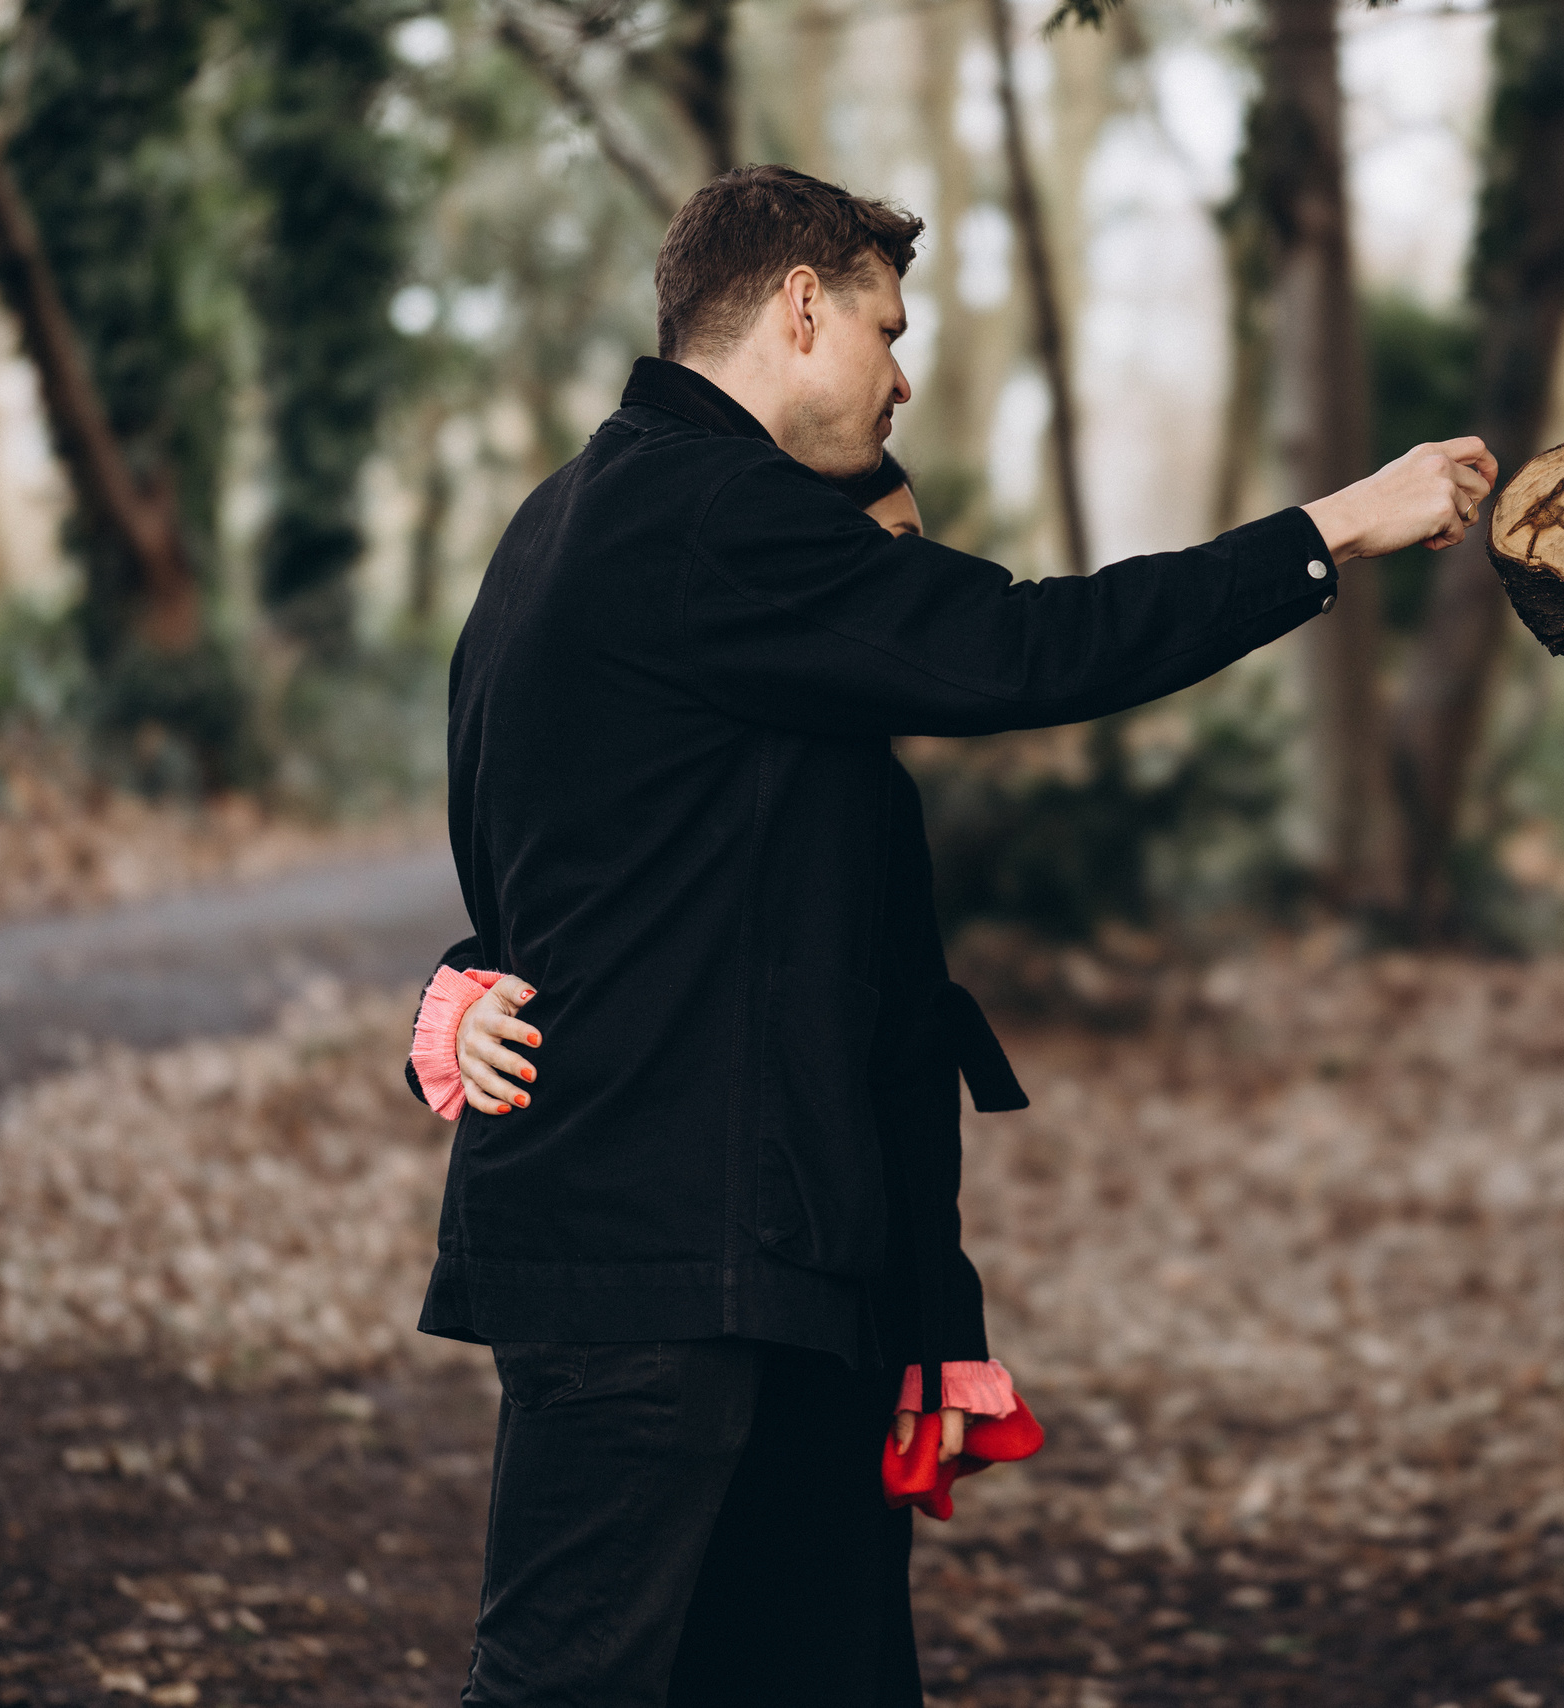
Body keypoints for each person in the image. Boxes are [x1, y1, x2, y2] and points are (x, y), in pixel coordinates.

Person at [398, 162, 1494, 1707]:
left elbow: (587, 860)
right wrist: (1333, 530)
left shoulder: (574, 521)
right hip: (658, 1258)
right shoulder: (710, 515)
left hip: (739, 1254)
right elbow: (1026, 646)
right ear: (797, 309)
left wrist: (458, 987)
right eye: (884, 329)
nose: (899, 375)